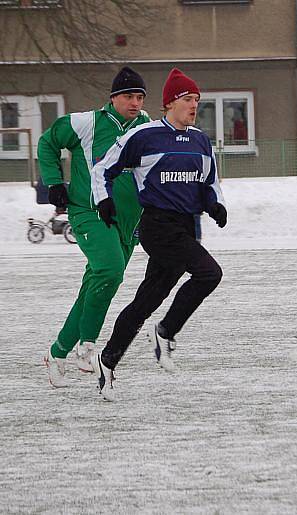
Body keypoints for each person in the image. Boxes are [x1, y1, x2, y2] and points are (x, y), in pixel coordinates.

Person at [90, 68, 228, 401]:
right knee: (210, 273)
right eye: (187, 99)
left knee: (146, 301)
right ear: (169, 103)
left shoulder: (199, 140)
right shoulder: (144, 135)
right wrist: (104, 199)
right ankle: (165, 332)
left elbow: (209, 183)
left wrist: (215, 205)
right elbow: (102, 168)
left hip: (184, 228)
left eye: (197, 99)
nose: (194, 105)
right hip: (156, 225)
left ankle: (107, 361)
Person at [39, 66, 149, 388]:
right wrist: (54, 182)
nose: (135, 102)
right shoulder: (87, 122)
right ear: (113, 98)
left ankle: (57, 352)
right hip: (89, 213)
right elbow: (47, 142)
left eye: (140, 97)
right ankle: (87, 345)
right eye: (128, 96)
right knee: (111, 270)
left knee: (97, 286)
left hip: (128, 222)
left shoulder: (146, 127)